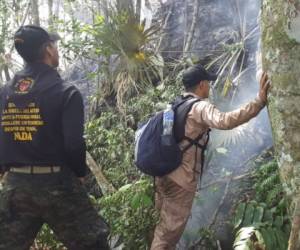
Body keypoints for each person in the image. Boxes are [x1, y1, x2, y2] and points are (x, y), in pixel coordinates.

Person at [0, 25, 110, 250]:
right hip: (58, 183)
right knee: (92, 245)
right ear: (49, 49)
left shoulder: (4, 93)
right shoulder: (65, 91)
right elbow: (73, 143)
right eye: (55, 46)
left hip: (16, 185)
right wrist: (79, 173)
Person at [150, 64, 270, 250]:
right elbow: (225, 121)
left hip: (162, 175)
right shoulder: (199, 107)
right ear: (201, 85)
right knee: (167, 235)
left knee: (163, 228)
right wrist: (259, 102)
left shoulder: (175, 105)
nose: (210, 87)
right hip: (180, 179)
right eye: (208, 83)